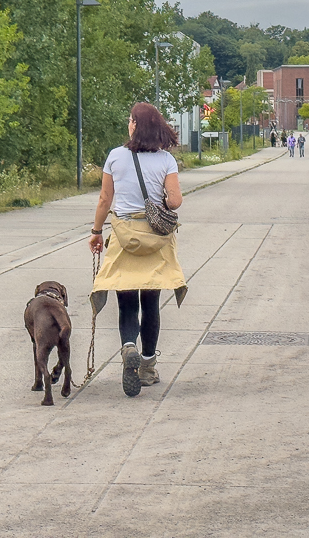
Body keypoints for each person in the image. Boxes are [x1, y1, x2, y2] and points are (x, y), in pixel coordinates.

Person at [90, 103, 186, 397]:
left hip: (124, 234)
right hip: (155, 236)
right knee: (151, 302)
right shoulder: (166, 160)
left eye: (130, 120)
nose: (128, 124)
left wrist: (96, 232)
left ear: (135, 125)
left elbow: (105, 199)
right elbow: (175, 201)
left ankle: (128, 346)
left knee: (127, 301)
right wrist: (163, 201)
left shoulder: (115, 157)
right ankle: (147, 366)